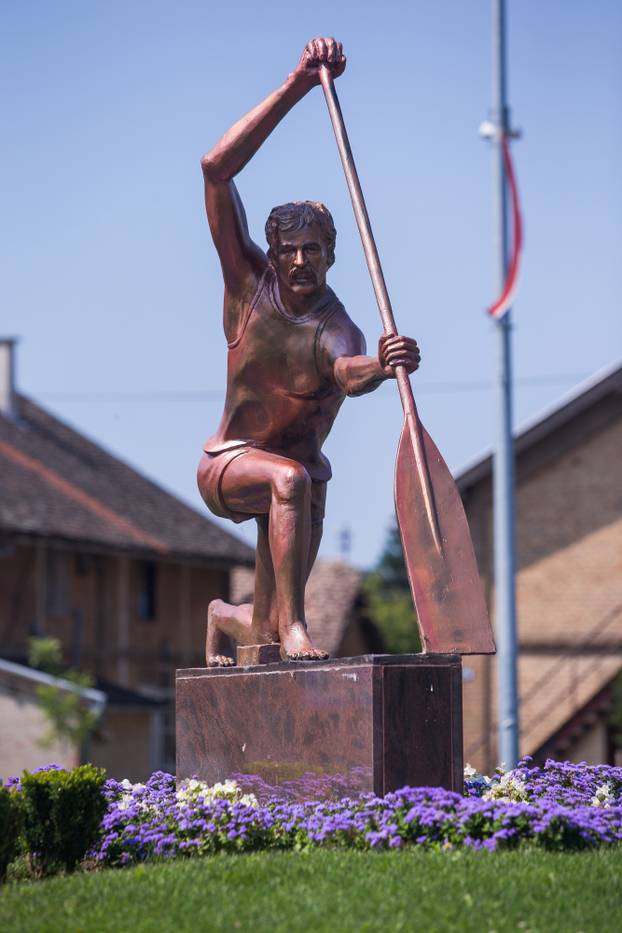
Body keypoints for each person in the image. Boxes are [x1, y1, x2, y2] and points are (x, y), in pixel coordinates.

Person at [198, 37, 420, 663]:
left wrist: (386, 360)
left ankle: (228, 618)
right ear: (272, 253)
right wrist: (298, 82)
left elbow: (350, 372)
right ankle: (298, 627)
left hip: (299, 491)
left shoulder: (335, 324)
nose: (300, 261)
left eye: (313, 250)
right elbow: (216, 168)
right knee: (288, 478)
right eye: (289, 250)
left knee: (261, 633)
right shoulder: (247, 285)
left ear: (330, 254)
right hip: (231, 464)